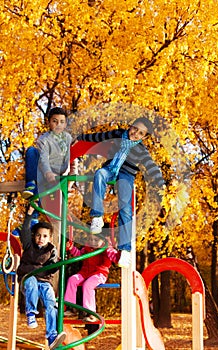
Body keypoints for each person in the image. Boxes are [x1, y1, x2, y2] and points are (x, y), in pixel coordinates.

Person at [73, 117, 165, 268]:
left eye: (140, 133)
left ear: (144, 137)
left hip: (126, 176)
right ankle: (97, 216)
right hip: (110, 169)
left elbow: (152, 167)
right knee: (99, 174)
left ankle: (125, 249)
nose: (135, 133)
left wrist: (162, 185)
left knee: (125, 207)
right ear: (131, 125)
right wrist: (81, 137)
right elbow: (98, 137)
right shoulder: (118, 134)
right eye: (135, 128)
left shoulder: (142, 150)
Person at [17, 205, 66, 349]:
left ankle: (51, 336)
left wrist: (61, 262)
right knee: (31, 281)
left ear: (50, 238)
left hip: (44, 282)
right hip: (28, 279)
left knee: (51, 303)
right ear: (34, 236)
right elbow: (25, 230)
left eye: (44, 236)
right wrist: (29, 214)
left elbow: (52, 268)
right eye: (38, 235)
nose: (41, 239)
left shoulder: (51, 250)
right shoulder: (28, 245)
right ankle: (31, 313)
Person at [22, 107, 75, 199]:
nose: (58, 124)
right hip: (45, 173)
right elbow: (43, 158)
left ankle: (41, 197)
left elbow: (74, 160)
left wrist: (70, 183)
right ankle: (31, 184)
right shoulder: (44, 139)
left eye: (62, 122)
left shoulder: (68, 139)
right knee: (31, 151)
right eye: (55, 121)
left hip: (59, 176)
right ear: (49, 122)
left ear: (65, 124)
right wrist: (48, 173)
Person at [64, 235, 119, 321]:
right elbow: (79, 254)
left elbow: (114, 257)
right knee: (72, 280)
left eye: (96, 240)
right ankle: (71, 307)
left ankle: (91, 313)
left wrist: (119, 254)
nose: (92, 242)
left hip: (99, 273)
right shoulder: (87, 248)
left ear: (103, 240)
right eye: (90, 239)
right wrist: (71, 248)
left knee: (88, 285)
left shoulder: (106, 249)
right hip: (85, 273)